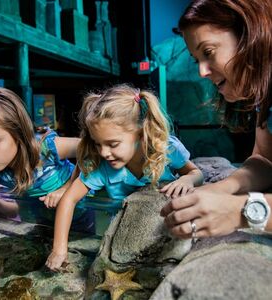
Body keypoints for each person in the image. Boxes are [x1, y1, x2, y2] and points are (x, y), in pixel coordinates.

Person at [45, 83, 204, 270]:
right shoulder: (101, 166)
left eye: (113, 144)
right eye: (97, 144)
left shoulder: (165, 149)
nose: (104, 152)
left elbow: (196, 173)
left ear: (140, 134)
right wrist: (59, 249)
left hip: (165, 227)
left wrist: (186, 179)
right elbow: (69, 200)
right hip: (125, 230)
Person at [160, 0, 272, 240]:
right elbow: (264, 159)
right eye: (196, 59)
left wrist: (240, 212)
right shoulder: (266, 98)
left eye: (208, 52)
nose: (202, 72)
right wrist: (221, 189)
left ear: (249, 36)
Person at [0, 87, 94, 232]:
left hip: (79, 218)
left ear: (18, 133)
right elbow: (12, 210)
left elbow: (91, 149)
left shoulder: (46, 148)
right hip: (40, 221)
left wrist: (67, 188)